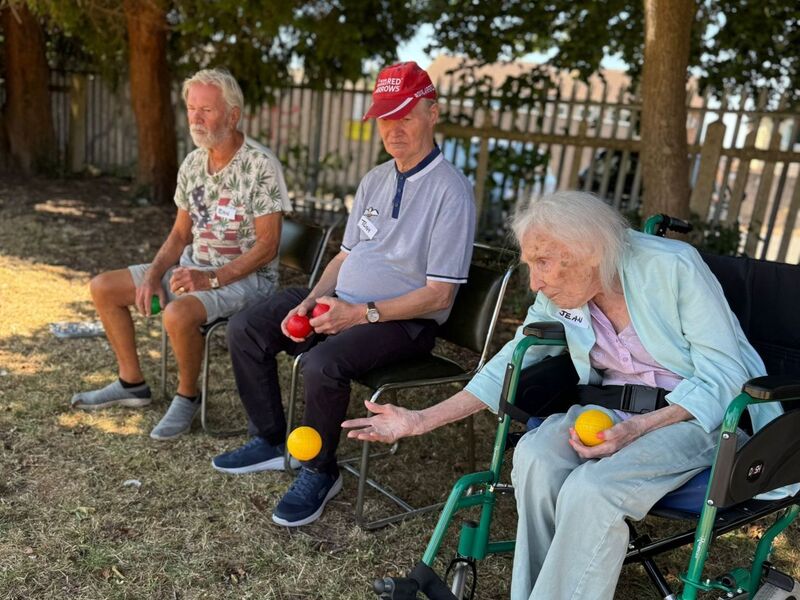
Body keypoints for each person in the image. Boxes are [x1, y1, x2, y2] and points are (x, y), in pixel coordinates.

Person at [342, 191, 786, 600]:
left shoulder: (673, 268)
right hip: (608, 408)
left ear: (590, 253)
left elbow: (725, 373)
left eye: (543, 262)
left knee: (593, 489)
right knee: (535, 456)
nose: (535, 282)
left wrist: (638, 428)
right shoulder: (565, 291)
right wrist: (421, 419)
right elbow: (513, 360)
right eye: (530, 264)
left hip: (691, 417)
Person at [211, 61, 476, 527]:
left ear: (432, 114)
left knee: (321, 364)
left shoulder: (451, 192)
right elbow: (345, 256)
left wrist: (359, 314)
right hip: (346, 303)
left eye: (405, 116)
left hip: (402, 323)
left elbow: (438, 297)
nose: (393, 129)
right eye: (385, 118)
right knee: (248, 327)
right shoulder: (375, 179)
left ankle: (320, 469)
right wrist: (310, 299)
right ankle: (271, 440)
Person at [71, 68, 291, 441]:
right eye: (191, 108)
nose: (196, 118)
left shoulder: (260, 165)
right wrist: (153, 275)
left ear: (233, 115)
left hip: (248, 280)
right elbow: (179, 234)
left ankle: (188, 396)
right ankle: (132, 384)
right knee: (103, 287)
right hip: (194, 269)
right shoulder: (192, 163)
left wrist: (212, 278)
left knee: (177, 313)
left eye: (207, 110)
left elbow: (267, 246)